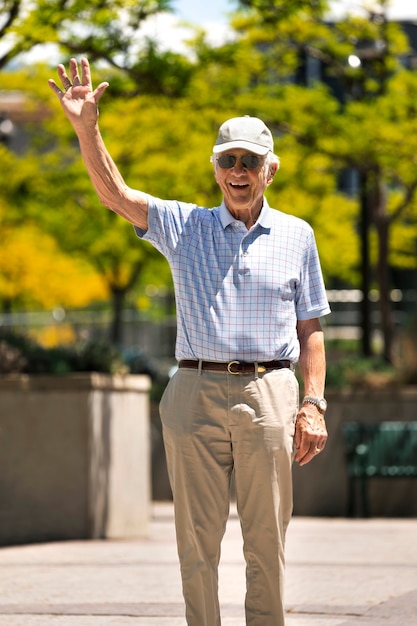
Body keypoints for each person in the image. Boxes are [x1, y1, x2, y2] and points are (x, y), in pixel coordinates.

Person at [49, 58, 330, 626]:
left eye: (249, 160)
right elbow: (116, 194)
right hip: (194, 393)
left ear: (269, 169)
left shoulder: (298, 235)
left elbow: (311, 328)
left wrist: (313, 402)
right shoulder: (186, 225)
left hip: (270, 392)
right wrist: (87, 128)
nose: (238, 171)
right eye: (228, 160)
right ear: (215, 169)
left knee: (267, 547)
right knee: (196, 550)